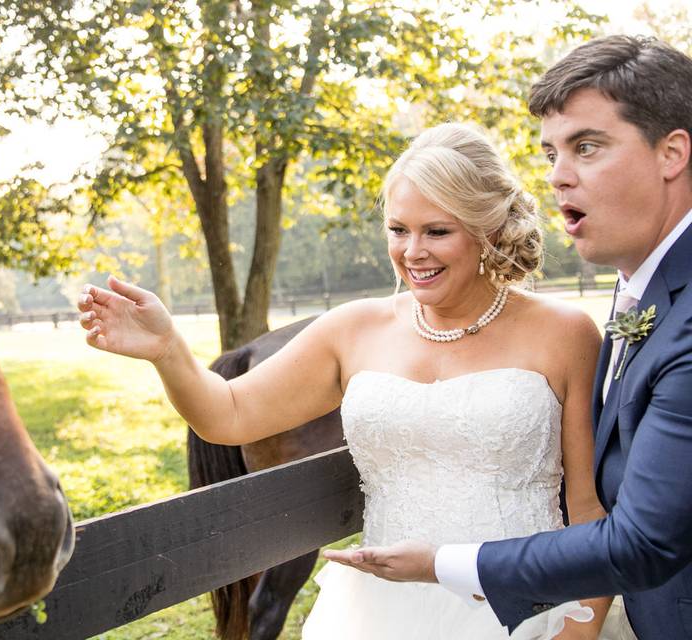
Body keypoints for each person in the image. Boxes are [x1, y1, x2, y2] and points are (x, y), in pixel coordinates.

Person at [77, 123, 611, 638]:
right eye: (398, 230)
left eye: (437, 231)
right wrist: (167, 350)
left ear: (489, 230)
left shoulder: (564, 334)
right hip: (379, 615)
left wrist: (580, 628)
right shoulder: (352, 329)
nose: (412, 252)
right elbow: (228, 415)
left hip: (527, 610)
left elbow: (588, 508)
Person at [324, 35, 692, 640]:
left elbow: (642, 538)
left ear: (671, 152)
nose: (558, 177)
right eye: (550, 154)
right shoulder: (644, 294)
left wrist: (442, 565)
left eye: (587, 147)